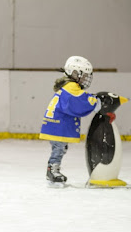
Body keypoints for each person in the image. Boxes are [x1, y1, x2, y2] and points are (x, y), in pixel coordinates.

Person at [39, 56, 99, 185]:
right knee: (59, 148)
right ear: (74, 73)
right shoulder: (71, 86)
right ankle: (52, 170)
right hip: (57, 126)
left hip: (55, 125)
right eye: (83, 75)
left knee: (60, 148)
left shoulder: (68, 85)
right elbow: (80, 101)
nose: (85, 79)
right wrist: (95, 101)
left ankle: (54, 169)